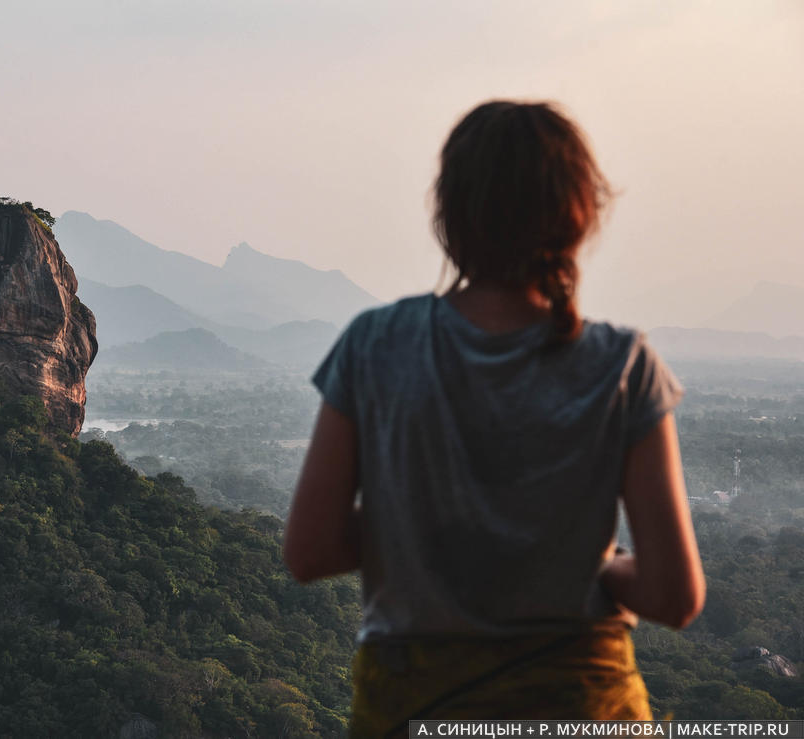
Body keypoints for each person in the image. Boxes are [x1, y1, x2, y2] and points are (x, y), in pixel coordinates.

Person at [282, 100, 705, 732]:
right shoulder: (623, 365)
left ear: (448, 215)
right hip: (583, 705)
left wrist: (426, 528)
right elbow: (675, 596)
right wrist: (589, 559)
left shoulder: (378, 345)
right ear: (578, 217)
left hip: (415, 705)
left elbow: (309, 551)